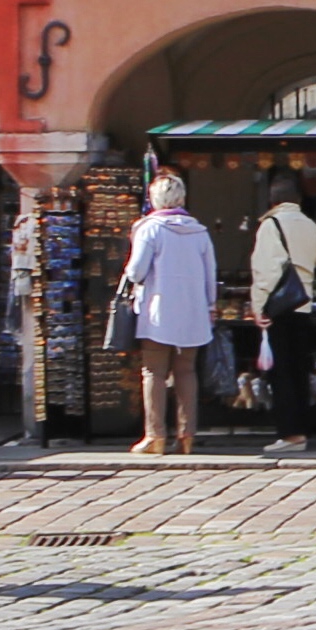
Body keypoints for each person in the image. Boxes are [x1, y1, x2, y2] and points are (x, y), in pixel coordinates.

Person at [122, 170, 216, 459]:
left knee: (154, 371)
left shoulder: (150, 228)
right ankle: (187, 434)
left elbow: (136, 271)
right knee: (186, 371)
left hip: (158, 310)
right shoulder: (200, 232)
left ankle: (155, 435)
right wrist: (210, 305)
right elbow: (210, 275)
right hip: (193, 310)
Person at [250, 174, 316, 453]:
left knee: (281, 372)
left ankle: (289, 433)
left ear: (272, 200)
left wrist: (259, 307)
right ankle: (302, 430)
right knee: (299, 370)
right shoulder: (309, 224)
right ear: (298, 199)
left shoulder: (270, 225)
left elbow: (265, 271)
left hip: (279, 307)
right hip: (303, 305)